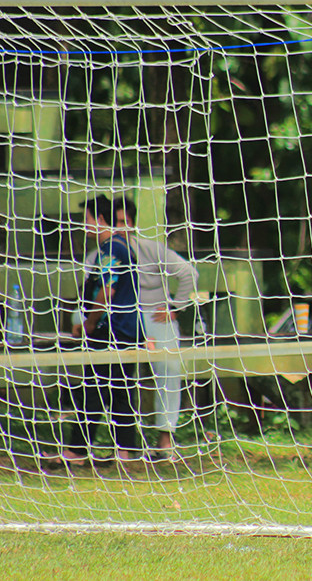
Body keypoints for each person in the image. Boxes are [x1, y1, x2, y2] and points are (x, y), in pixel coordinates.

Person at [62, 195, 145, 465]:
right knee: (119, 391)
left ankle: (76, 451)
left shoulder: (112, 249)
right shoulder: (120, 247)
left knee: (93, 389)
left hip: (112, 330)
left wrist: (89, 323)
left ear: (98, 220)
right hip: (125, 330)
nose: (83, 226)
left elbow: (107, 291)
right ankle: (125, 452)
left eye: (86, 219)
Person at [117, 195, 198, 461]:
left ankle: (165, 439)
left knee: (169, 368)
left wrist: (176, 306)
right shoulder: (100, 254)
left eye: (124, 222)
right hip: (118, 320)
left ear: (131, 223)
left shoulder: (149, 249)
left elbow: (188, 273)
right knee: (118, 374)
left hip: (154, 316)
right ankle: (124, 444)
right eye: (115, 223)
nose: (120, 229)